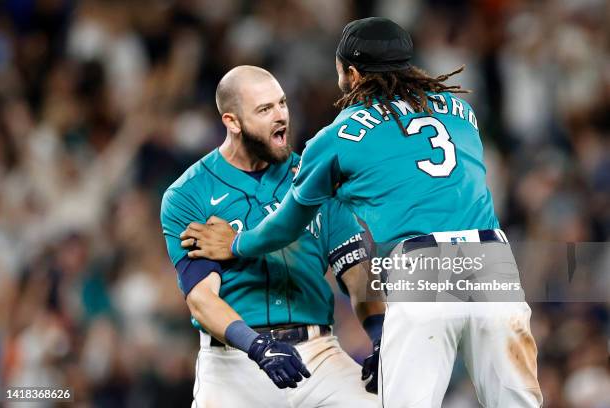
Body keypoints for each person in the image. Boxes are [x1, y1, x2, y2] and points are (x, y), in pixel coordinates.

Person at [180, 18, 543, 408]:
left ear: (352, 73)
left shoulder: (339, 135)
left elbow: (286, 225)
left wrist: (237, 242)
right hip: (493, 262)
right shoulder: (462, 110)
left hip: (423, 264)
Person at [160, 65, 384, 407]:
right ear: (232, 122)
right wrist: (257, 347)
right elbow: (202, 300)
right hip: (234, 360)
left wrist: (380, 336)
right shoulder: (189, 194)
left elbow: (355, 270)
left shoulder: (314, 178)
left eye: (282, 104)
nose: (280, 116)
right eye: (264, 110)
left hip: (319, 355)